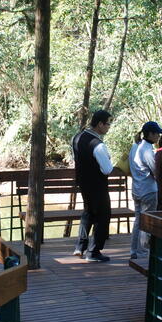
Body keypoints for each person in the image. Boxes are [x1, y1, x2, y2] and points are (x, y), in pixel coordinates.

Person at [71, 110, 114, 262]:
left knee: (88, 212)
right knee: (102, 216)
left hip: (83, 182)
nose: (109, 127)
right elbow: (107, 169)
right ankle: (94, 252)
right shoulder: (98, 145)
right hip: (98, 184)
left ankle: (80, 246)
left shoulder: (76, 137)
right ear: (100, 124)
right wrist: (109, 160)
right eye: (108, 123)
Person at [129, 121, 162, 259]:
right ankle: (142, 252)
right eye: (157, 134)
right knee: (146, 222)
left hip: (136, 188)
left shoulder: (135, 147)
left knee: (138, 220)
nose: (159, 136)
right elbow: (156, 171)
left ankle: (134, 250)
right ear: (150, 134)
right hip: (148, 190)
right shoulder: (147, 150)